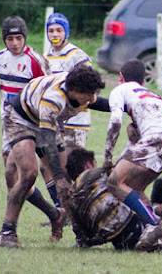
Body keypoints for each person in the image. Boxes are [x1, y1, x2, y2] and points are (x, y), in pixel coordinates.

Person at [0, 66, 108, 248]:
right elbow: (46, 141)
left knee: (68, 180)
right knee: (29, 174)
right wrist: (58, 178)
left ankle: (77, 231)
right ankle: (7, 232)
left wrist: (129, 107)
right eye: (88, 93)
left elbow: (99, 102)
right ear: (73, 90)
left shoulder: (83, 91)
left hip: (46, 122)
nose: (91, 97)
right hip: (20, 119)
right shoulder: (53, 99)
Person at [104, 59, 162, 227]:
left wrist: (107, 158)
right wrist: (120, 161)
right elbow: (135, 146)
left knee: (114, 182)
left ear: (121, 77)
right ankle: (161, 228)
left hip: (155, 138)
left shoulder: (120, 89)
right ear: (143, 81)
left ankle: (154, 226)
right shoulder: (152, 94)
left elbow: (116, 122)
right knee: (134, 187)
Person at [0, 16, 50, 165]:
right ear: (4, 39)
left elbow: (50, 96)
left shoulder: (36, 61)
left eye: (19, 38)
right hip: (10, 122)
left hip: (35, 122)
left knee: (47, 168)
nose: (15, 43)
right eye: (10, 38)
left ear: (25, 37)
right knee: (12, 168)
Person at [40, 12, 94, 209]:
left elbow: (90, 85)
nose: (55, 34)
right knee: (46, 165)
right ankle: (62, 209)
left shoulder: (77, 56)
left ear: (66, 32)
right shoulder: (45, 58)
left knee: (72, 168)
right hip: (54, 122)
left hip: (75, 122)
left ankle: (83, 211)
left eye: (59, 30)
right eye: (51, 30)